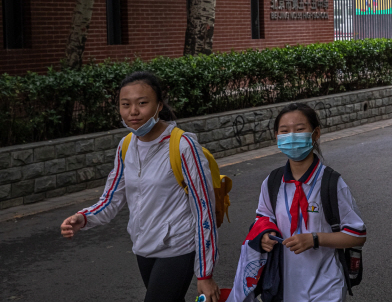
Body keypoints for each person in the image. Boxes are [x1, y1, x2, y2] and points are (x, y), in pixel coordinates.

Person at [60, 71, 220, 302]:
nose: (133, 112)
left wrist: (205, 273)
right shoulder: (126, 145)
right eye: (125, 105)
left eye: (142, 103)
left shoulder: (183, 146)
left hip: (178, 246)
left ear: (159, 106)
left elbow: (204, 208)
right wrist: (83, 218)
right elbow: (111, 198)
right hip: (144, 246)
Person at [257, 103, 366, 301]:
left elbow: (357, 235)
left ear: (315, 134)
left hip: (326, 288)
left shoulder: (332, 183)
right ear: (276, 136)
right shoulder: (272, 182)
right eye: (284, 131)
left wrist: (315, 239)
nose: (291, 137)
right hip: (283, 288)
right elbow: (263, 218)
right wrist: (266, 235)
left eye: (299, 130)